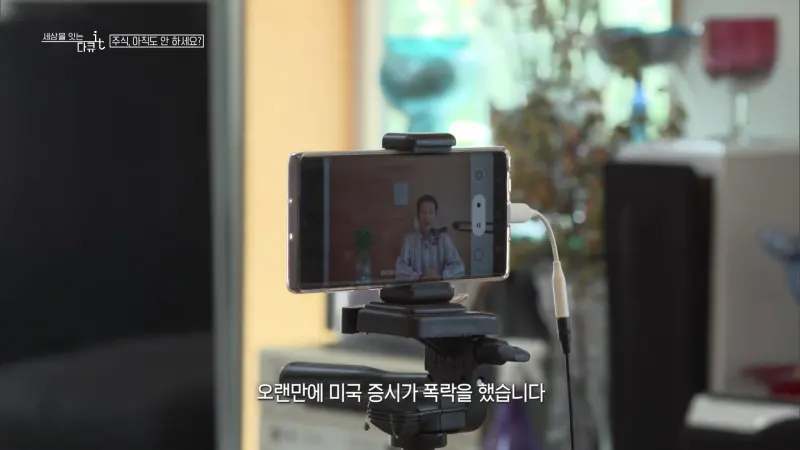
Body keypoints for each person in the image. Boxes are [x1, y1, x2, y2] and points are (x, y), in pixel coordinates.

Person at [395, 194, 465, 281]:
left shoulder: (444, 239)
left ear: (435, 215)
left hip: (440, 285)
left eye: (431, 212)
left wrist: (441, 276)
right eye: (423, 212)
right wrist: (419, 277)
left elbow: (459, 267)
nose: (427, 216)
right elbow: (400, 269)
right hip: (417, 286)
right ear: (418, 215)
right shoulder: (409, 240)